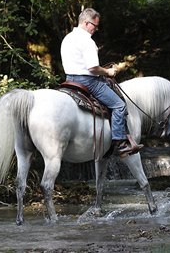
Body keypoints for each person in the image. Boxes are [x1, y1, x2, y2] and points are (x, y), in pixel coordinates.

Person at [60, 8, 143, 156]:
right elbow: (92, 68)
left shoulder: (67, 38)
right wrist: (108, 72)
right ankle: (120, 143)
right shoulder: (87, 41)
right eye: (95, 25)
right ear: (86, 23)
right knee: (119, 105)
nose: (96, 29)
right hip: (88, 82)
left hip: (69, 80)